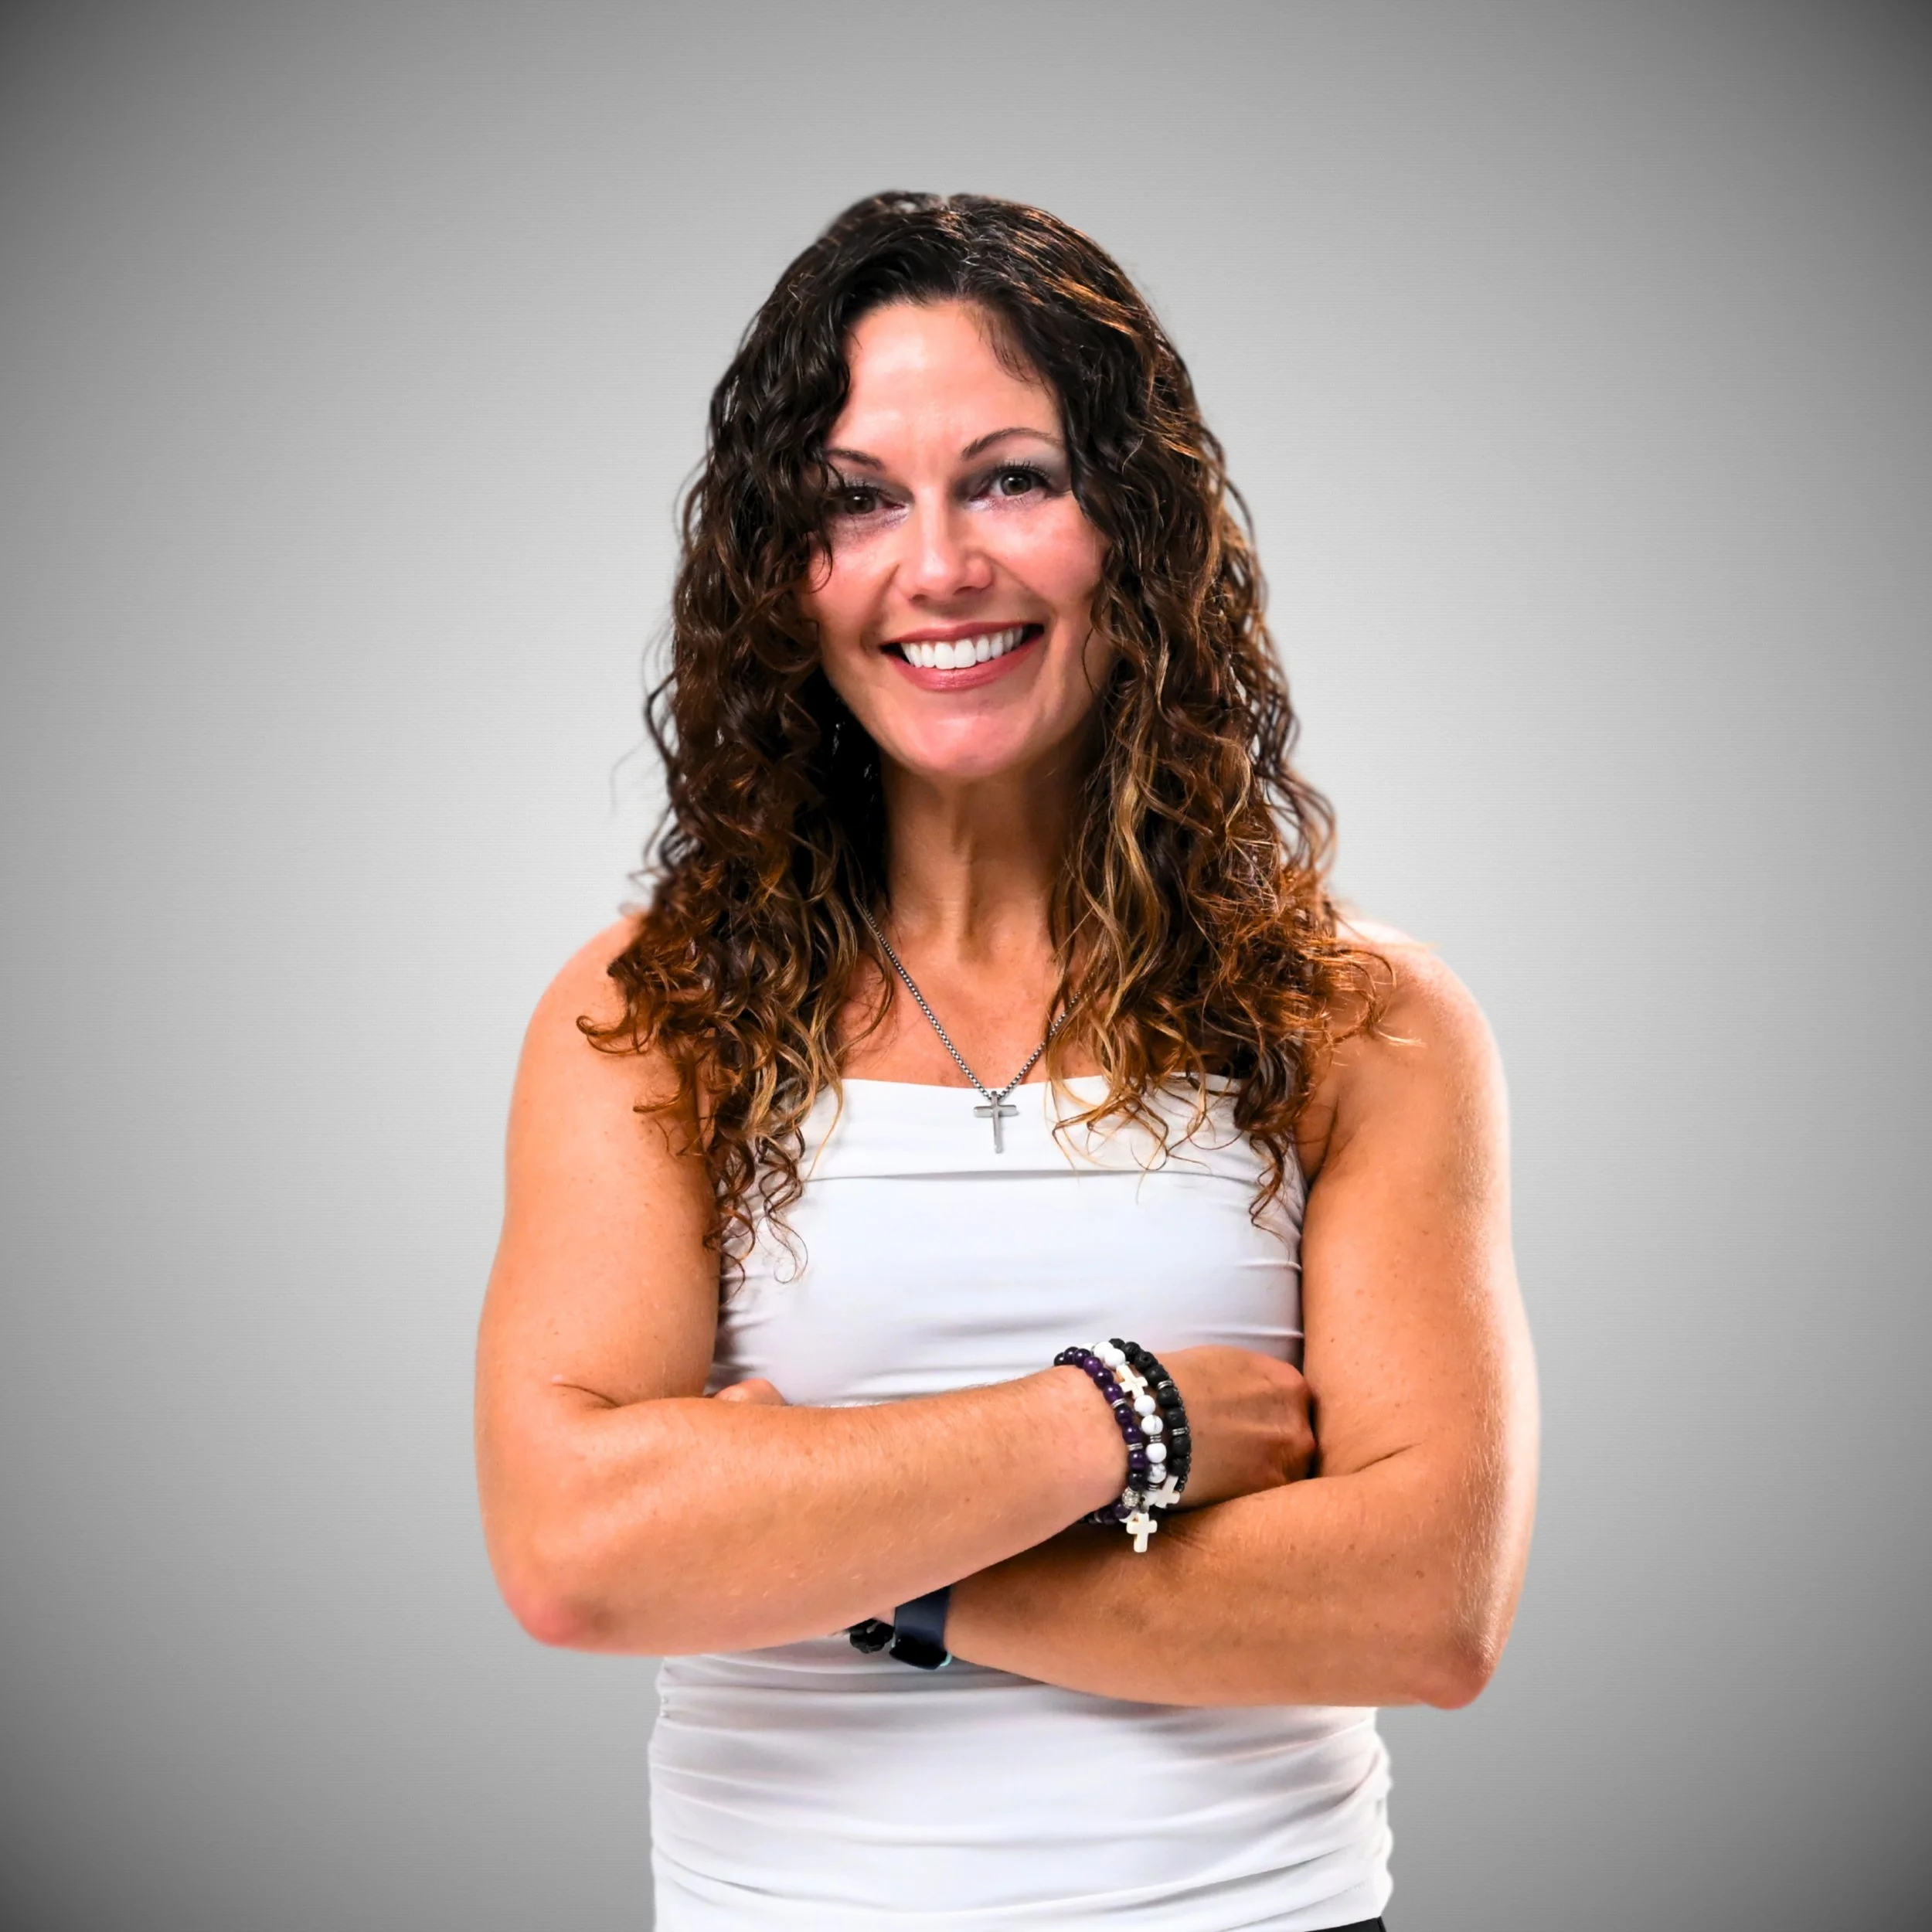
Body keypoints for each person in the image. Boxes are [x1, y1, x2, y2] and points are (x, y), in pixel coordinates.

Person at [474, 191, 1538, 1930]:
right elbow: (580, 1552)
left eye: (1011, 477)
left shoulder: (1357, 1016)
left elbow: (1426, 1604)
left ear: (1136, 524)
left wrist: (846, 1553)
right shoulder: (650, 1010)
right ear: (782, 571)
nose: (939, 563)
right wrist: (1126, 1418)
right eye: (856, 498)